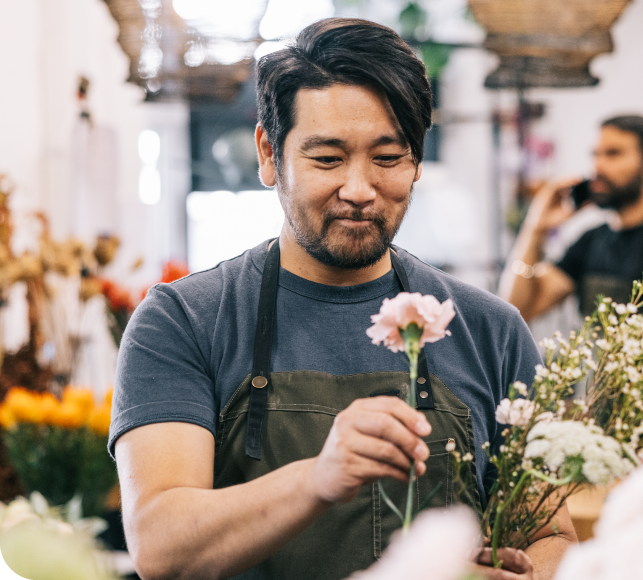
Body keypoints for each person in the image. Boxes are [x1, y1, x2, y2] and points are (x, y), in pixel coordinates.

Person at [110, 18, 576, 580]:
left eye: (387, 158)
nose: (359, 189)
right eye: (327, 159)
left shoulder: (491, 331)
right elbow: (161, 545)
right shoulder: (183, 321)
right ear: (268, 153)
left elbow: (550, 536)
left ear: (417, 161)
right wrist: (318, 476)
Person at [499, 115, 643, 441]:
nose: (597, 166)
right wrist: (535, 228)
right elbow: (517, 308)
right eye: (595, 154)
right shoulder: (591, 240)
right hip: (592, 426)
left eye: (613, 154)